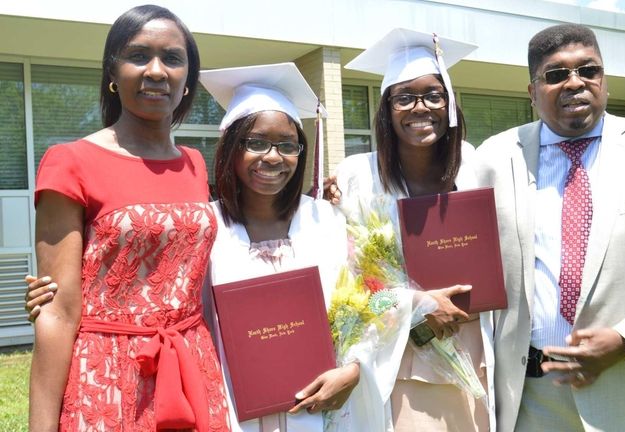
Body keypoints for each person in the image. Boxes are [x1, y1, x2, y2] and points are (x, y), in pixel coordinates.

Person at [474, 23, 625, 431]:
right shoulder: (495, 158)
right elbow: (444, 228)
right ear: (532, 91)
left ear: (603, 79)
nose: (575, 83)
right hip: (529, 399)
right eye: (556, 75)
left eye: (588, 70)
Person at [28, 5, 229, 431]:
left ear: (188, 79)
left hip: (192, 365)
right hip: (106, 376)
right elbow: (58, 312)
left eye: (172, 58)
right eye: (139, 56)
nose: (156, 70)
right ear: (112, 74)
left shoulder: (194, 164)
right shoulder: (70, 162)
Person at [335, 28, 496, 432]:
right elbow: (351, 294)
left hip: (477, 353)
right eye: (403, 97)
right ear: (386, 110)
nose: (419, 107)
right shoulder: (359, 176)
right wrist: (419, 305)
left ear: (450, 104)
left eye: (433, 95)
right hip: (401, 361)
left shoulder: (475, 166)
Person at [198, 63, 361, 431]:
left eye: (287, 145)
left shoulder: (327, 220)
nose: (273, 157)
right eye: (255, 142)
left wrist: (355, 367)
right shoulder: (206, 227)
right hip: (233, 410)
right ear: (229, 149)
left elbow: (368, 308)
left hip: (323, 410)